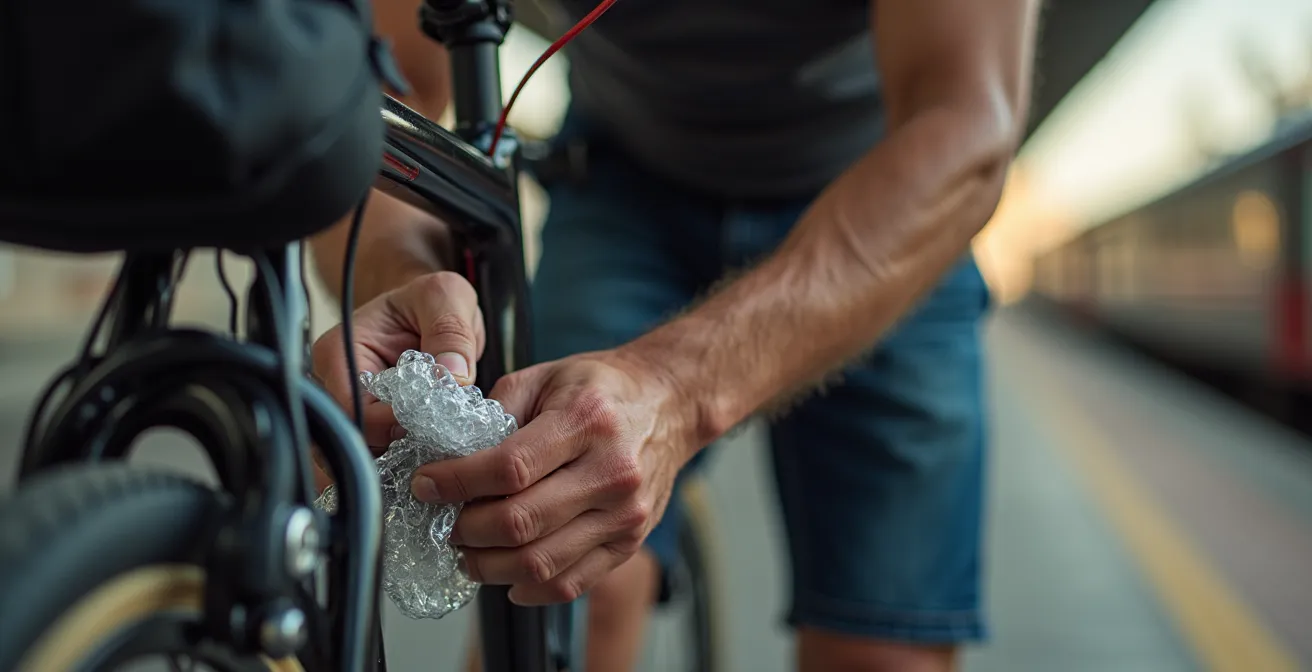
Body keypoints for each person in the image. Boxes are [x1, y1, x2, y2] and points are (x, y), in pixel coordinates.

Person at [310, 0, 1041, 670]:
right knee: (562, 572)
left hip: (890, 186)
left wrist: (675, 391)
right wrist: (399, 273)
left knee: (882, 652)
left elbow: (967, 118)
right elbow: (382, 94)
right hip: (628, 178)